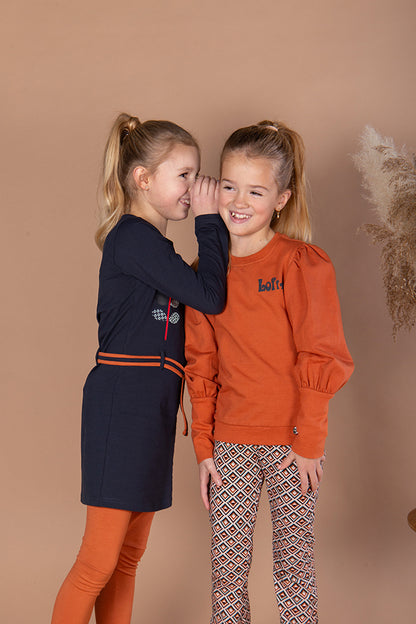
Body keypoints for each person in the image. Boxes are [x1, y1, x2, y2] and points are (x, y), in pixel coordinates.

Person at [51, 113, 228, 624]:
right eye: (184, 175)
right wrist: (210, 222)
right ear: (142, 178)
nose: (194, 187)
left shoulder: (156, 250)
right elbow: (210, 297)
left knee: (127, 561)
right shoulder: (132, 238)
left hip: (152, 409)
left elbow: (196, 296)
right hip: (122, 407)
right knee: (98, 562)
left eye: (196, 175)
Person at [185, 120, 354, 624]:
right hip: (229, 446)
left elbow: (320, 354)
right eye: (229, 186)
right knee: (227, 575)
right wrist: (203, 447)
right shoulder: (201, 276)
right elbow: (201, 366)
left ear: (281, 199)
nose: (239, 202)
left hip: (293, 445)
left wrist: (310, 441)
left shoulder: (300, 264)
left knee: (293, 571)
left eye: (255, 192)